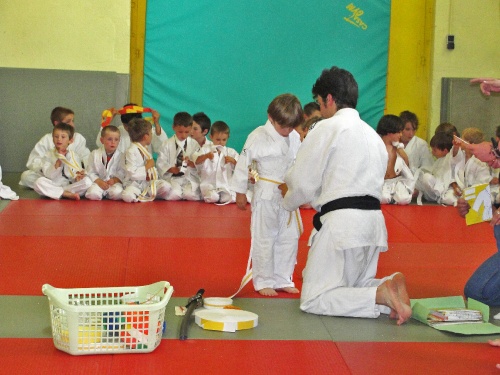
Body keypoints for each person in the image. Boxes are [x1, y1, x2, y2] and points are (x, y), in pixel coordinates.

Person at [282, 66, 412, 325]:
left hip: (342, 226)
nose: (320, 109)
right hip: (373, 225)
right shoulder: (373, 137)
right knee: (353, 283)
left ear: (329, 99)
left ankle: (380, 292)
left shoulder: (327, 128)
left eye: (320, 103)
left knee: (314, 298)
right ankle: (385, 284)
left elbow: (302, 182)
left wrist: (287, 199)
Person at [231, 93, 303, 296]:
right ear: (271, 118)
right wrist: (240, 192)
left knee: (289, 238)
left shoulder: (295, 137)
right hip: (266, 193)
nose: (288, 131)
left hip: (288, 194)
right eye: (284, 127)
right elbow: (243, 163)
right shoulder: (257, 136)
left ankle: (282, 277)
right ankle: (263, 280)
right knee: (265, 237)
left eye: (291, 126)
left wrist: (298, 188)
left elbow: (300, 163)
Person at [20, 107, 90, 189]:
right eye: (68, 121)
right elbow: (33, 161)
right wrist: (50, 166)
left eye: (72, 121)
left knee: (88, 181)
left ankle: (53, 190)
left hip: (72, 177)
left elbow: (86, 158)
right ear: (57, 123)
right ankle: (63, 190)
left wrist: (81, 171)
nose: (72, 124)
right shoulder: (47, 139)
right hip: (51, 177)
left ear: (70, 140)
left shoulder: (78, 138)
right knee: (26, 176)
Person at [33, 123, 92, 200]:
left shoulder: (74, 155)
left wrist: (77, 177)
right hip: (54, 184)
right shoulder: (48, 155)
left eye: (63, 137)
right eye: (56, 136)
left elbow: (75, 173)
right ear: (52, 138)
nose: (59, 139)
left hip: (68, 186)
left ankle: (58, 192)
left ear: (70, 140)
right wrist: (57, 164)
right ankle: (65, 194)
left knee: (87, 182)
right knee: (38, 182)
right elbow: (48, 175)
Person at [121, 118, 171, 203]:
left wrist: (149, 175)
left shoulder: (145, 149)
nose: (152, 136)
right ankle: (142, 194)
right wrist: (148, 165)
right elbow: (132, 173)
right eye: (151, 133)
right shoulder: (131, 151)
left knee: (166, 186)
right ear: (145, 136)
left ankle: (144, 193)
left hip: (147, 182)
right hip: (134, 183)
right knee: (127, 196)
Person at [156, 112, 201, 201]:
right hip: (173, 177)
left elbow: (198, 163)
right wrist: (172, 169)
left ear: (191, 129)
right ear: (173, 127)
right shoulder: (167, 144)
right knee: (174, 196)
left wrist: (190, 163)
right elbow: (161, 162)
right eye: (180, 132)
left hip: (188, 177)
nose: (183, 135)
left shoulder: (194, 144)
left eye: (187, 132)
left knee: (190, 196)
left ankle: (187, 193)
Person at [195, 121, 239, 204]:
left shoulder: (231, 152)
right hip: (209, 186)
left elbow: (241, 167)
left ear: (228, 137)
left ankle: (222, 196)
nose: (221, 142)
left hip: (225, 186)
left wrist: (233, 161)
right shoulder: (205, 149)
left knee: (229, 198)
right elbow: (196, 161)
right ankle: (210, 195)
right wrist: (206, 156)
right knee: (213, 197)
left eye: (224, 140)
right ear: (211, 137)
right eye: (218, 139)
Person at [95, 104, 167, 154]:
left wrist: (157, 123)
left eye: (133, 127)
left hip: (143, 172)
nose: (130, 130)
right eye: (127, 126)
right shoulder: (117, 133)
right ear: (123, 123)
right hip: (119, 172)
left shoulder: (148, 131)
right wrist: (107, 122)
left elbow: (162, 149)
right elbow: (100, 144)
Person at [377, 115, 414, 205]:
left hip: (396, 181)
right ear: (390, 132)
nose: (401, 135)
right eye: (399, 132)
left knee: (404, 199)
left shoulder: (398, 148)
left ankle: (394, 197)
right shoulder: (377, 146)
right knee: (383, 198)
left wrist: (400, 150)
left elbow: (406, 164)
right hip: (382, 182)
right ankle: (390, 197)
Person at [414, 132, 457, 205]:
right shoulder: (439, 160)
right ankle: (428, 195)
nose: (432, 152)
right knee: (422, 176)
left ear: (445, 151)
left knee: (450, 199)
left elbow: (455, 153)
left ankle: (439, 197)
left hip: (446, 189)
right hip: (435, 189)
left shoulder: (449, 158)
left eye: (434, 150)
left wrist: (456, 146)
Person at [85, 125, 126, 201]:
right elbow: (90, 171)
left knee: (118, 193)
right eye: (109, 139)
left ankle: (107, 194)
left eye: (116, 139)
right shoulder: (94, 154)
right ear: (102, 140)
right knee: (92, 194)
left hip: (113, 183)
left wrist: (115, 180)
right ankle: (101, 193)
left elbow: (122, 172)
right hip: (99, 182)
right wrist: (98, 181)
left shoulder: (122, 156)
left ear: (119, 141)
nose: (113, 142)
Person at [452, 127, 492, 196]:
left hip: (475, 193)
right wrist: (456, 187)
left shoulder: (480, 161)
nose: (460, 140)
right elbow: (451, 172)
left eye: (463, 139)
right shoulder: (461, 156)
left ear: (469, 142)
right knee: (449, 197)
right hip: (462, 192)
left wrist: (466, 193)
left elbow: (482, 184)